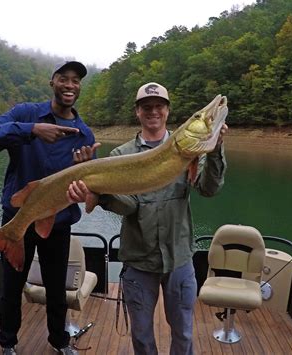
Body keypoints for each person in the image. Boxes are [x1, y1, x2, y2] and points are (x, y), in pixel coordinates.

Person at [67, 82, 228, 354]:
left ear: (167, 111)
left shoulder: (190, 148)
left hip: (179, 259)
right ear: (138, 112)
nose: (153, 111)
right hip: (139, 262)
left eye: (159, 106)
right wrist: (99, 192)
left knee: (184, 334)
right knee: (141, 336)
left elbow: (209, 189)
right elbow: (128, 207)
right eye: (146, 107)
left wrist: (215, 150)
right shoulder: (121, 155)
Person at [0, 61, 99, 355]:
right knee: (11, 287)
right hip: (18, 219)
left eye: (76, 81)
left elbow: (85, 191)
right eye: (64, 79)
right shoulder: (26, 114)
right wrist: (31, 130)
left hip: (57, 223)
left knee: (57, 288)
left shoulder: (85, 135)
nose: (70, 85)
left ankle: (59, 341)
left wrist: (83, 176)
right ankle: (8, 344)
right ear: (52, 82)